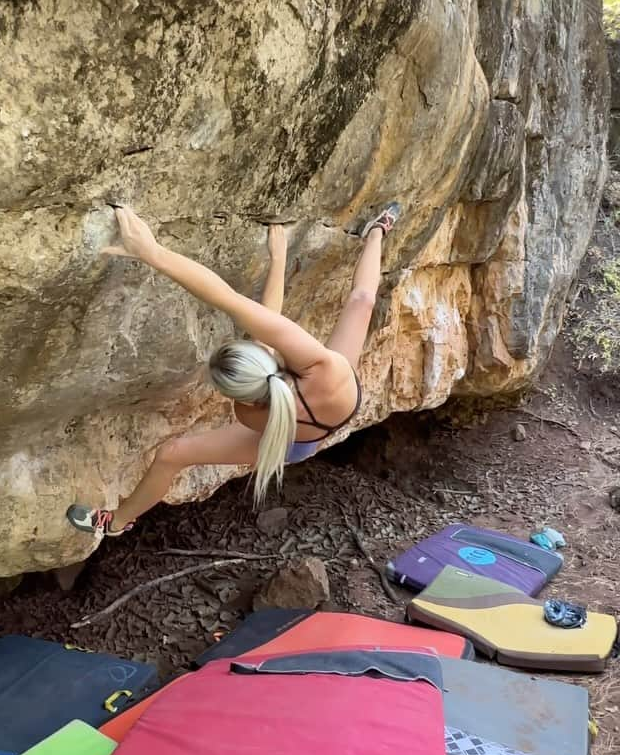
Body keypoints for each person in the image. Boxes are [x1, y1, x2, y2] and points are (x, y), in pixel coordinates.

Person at [67, 202, 401, 540]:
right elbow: (242, 307)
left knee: (171, 455)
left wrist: (153, 253)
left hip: (291, 440)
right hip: (325, 416)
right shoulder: (317, 369)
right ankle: (377, 231)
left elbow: (240, 308)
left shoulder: (250, 412)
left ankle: (117, 522)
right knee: (361, 301)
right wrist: (278, 263)